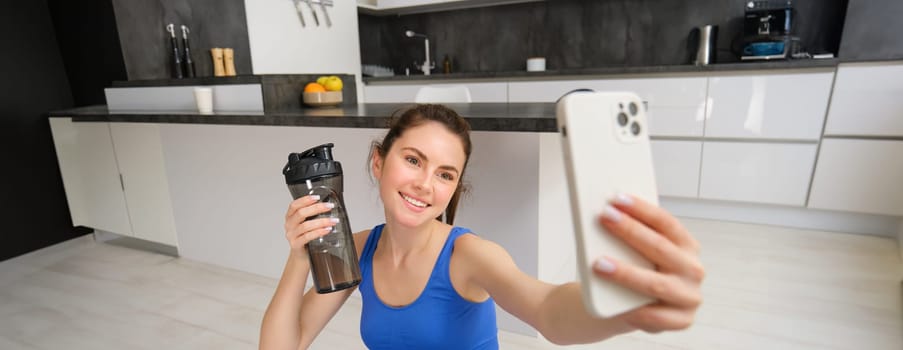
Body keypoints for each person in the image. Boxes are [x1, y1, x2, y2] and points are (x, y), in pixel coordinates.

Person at [260, 104, 704, 349]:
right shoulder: (357, 251)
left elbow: (549, 310)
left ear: (455, 188)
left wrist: (621, 307)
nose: (425, 184)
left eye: (445, 174)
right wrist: (301, 258)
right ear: (379, 162)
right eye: (413, 160)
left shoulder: (468, 257)